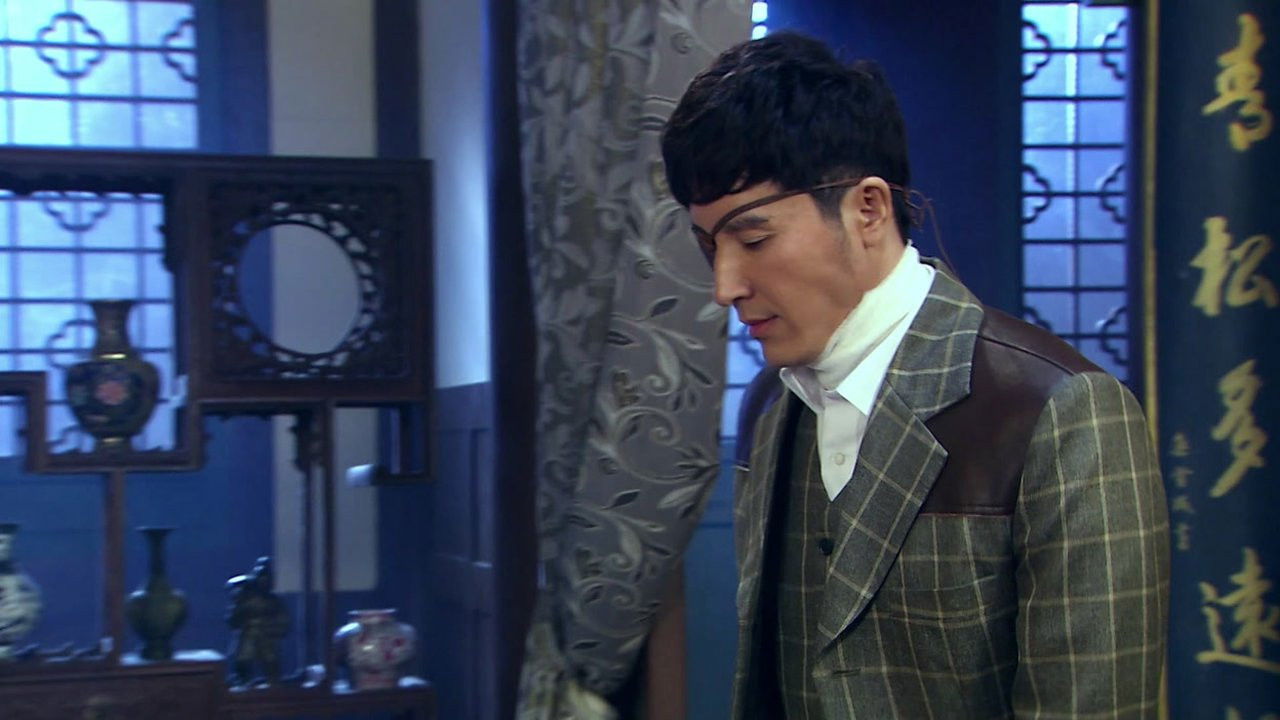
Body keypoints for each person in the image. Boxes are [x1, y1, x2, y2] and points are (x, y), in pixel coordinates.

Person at [661, 32, 1170, 719]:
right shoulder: (771, 405)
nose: (725, 285)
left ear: (868, 209)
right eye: (709, 247)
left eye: (753, 239)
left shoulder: (1061, 413)